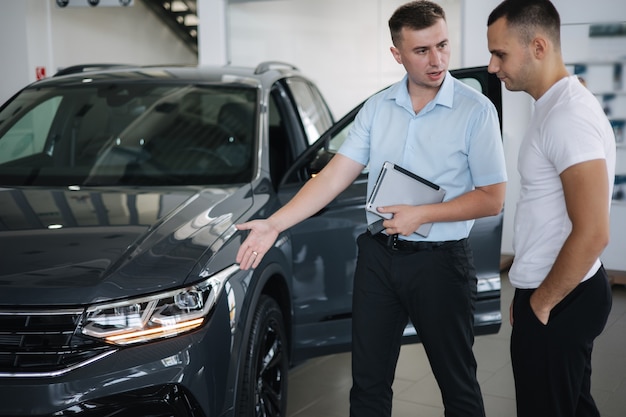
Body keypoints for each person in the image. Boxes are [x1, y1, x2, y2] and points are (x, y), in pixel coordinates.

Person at [237, 1, 507, 416]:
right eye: (422, 51)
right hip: (379, 258)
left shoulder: (476, 112)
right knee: (367, 385)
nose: (437, 60)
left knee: (458, 386)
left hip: (441, 264)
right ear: (397, 54)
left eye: (443, 45)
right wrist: (274, 224)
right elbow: (332, 178)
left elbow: (493, 197)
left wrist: (422, 215)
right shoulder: (378, 108)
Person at [486, 1, 616, 416]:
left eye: (500, 53)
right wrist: (527, 288)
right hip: (557, 290)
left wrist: (541, 301)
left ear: (538, 46)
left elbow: (593, 232)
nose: (492, 66)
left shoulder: (567, 117)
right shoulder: (555, 107)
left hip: (562, 299)